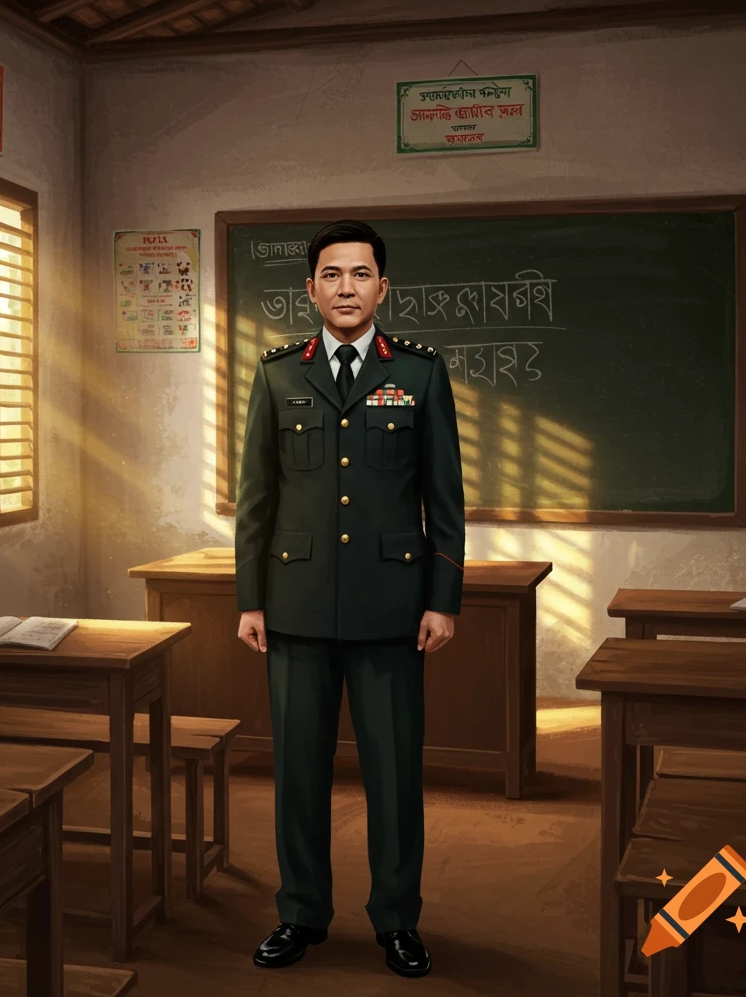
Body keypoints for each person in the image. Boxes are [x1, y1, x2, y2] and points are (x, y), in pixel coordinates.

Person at [234, 219, 465, 978]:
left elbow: (445, 501)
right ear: (310, 289)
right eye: (331, 275)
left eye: (360, 274)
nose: (345, 288)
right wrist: (250, 599)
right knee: (297, 771)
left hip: (391, 607)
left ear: (382, 288)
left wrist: (442, 600)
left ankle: (397, 921)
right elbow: (256, 502)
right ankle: (301, 914)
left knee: (394, 775)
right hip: (295, 604)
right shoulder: (275, 375)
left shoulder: (422, 375)